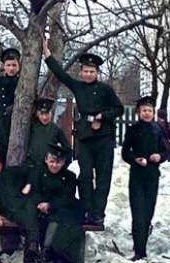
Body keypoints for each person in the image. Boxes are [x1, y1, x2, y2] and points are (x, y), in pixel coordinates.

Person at [42, 36, 124, 225]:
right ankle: (87, 210)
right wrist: (47, 54)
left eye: (92, 71)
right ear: (81, 72)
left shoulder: (105, 89)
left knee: (103, 178)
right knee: (85, 176)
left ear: (97, 72)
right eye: (85, 71)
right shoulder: (78, 86)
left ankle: (99, 212)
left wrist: (103, 116)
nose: (88, 74)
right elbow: (60, 74)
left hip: (104, 137)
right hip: (85, 137)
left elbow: (118, 108)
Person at [121, 96, 168, 261]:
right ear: (138, 113)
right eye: (144, 110)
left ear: (153, 113)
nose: (147, 113)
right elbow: (125, 152)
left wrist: (159, 157)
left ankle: (142, 244)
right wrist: (135, 159)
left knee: (148, 213)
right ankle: (139, 251)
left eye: (150, 110)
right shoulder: (132, 130)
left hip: (152, 176)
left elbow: (165, 152)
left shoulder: (157, 130)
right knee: (138, 213)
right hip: (137, 177)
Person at [29, 142, 84, 263]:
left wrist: (50, 205)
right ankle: (47, 255)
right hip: (41, 209)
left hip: (62, 209)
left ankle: (57, 260)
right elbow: (34, 192)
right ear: (46, 160)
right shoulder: (39, 172)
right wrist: (40, 203)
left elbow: (68, 198)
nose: (54, 165)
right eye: (52, 161)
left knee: (61, 223)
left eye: (58, 162)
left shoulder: (69, 176)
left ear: (63, 162)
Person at [27, 97, 72, 168]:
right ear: (37, 113)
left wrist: (61, 166)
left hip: (49, 169)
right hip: (33, 167)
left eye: (47, 113)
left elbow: (68, 150)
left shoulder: (56, 129)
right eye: (42, 114)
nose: (45, 117)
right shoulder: (30, 126)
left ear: (51, 113)